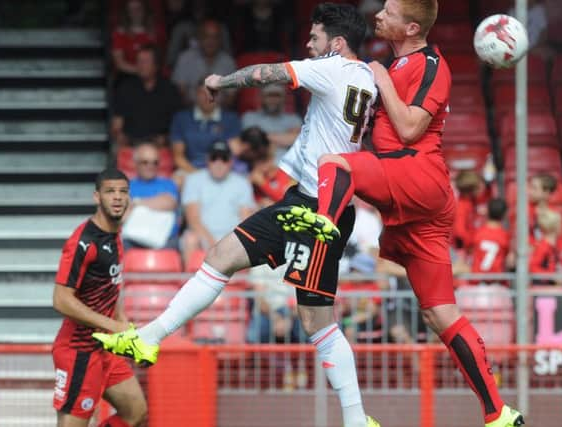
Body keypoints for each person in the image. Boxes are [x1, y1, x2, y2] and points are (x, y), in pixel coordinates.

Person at [94, 4, 379, 426]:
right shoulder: (368, 79)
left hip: (317, 210)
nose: (308, 43)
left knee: (314, 319)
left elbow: (269, 73)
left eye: (314, 37)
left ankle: (356, 419)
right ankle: (150, 338)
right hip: (309, 204)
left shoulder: (333, 68)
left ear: (336, 44)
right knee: (225, 258)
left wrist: (221, 82)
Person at [277, 1, 524, 426]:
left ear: (411, 26)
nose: (378, 15)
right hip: (412, 201)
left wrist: (378, 78)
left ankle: (323, 230)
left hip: (416, 174)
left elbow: (410, 128)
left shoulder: (430, 64)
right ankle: (498, 413)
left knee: (335, 163)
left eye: (388, 11)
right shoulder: (394, 64)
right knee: (439, 313)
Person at [52, 169, 147, 427]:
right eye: (110, 192)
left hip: (106, 347)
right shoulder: (83, 241)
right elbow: (60, 299)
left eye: (123, 192)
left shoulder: (115, 235)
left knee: (136, 413)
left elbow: (110, 285)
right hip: (78, 351)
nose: (117, 198)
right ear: (97, 197)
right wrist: (113, 326)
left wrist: (123, 324)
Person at [180, 140, 256, 265]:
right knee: (190, 239)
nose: (219, 163)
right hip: (202, 237)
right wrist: (215, 246)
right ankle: (189, 281)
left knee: (250, 241)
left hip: (233, 239)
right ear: (207, 160)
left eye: (224, 158)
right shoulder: (193, 180)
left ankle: (244, 284)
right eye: (214, 158)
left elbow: (245, 220)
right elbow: (193, 220)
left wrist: (226, 246)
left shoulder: (242, 183)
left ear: (231, 161)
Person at [111, 45, 182, 147]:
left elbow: (178, 124)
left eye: (145, 61)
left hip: (161, 145)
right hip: (131, 144)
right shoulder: (125, 88)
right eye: (139, 61)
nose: (141, 65)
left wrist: (166, 138)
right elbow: (117, 124)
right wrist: (119, 136)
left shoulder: (170, 90)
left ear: (156, 65)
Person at [170, 77, 241, 175]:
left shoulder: (230, 118)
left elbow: (235, 154)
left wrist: (218, 173)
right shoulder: (181, 118)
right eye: (202, 93)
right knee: (177, 180)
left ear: (219, 96)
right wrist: (198, 176)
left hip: (223, 169)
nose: (207, 97)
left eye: (212, 93)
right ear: (196, 94)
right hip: (189, 169)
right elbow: (178, 157)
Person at [124, 143, 180, 250]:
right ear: (136, 163)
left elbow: (169, 203)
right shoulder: (126, 186)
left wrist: (136, 203)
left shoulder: (168, 183)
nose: (150, 166)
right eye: (145, 162)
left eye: (155, 162)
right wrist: (155, 202)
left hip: (165, 239)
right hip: (132, 240)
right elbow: (122, 216)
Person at [171, 19, 236, 105]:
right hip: (191, 112)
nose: (210, 41)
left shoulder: (228, 62)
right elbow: (179, 93)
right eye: (206, 36)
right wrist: (200, 111)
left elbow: (231, 97)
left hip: (220, 114)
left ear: (220, 40)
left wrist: (213, 112)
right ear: (199, 38)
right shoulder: (185, 58)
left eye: (215, 37)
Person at [241, 84, 302, 163]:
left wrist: (262, 136)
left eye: (277, 95)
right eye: (269, 95)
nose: (273, 99)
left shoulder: (293, 119)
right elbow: (251, 142)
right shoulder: (250, 117)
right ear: (262, 97)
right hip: (258, 164)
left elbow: (296, 140)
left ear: (283, 98)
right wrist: (285, 136)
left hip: (288, 164)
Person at [111, 0, 165, 78]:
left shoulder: (155, 31)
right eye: (131, 10)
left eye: (138, 9)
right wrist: (141, 71)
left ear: (145, 10)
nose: (134, 13)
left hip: (151, 74)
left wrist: (148, 71)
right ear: (127, 13)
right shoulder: (119, 33)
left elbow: (158, 60)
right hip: (128, 75)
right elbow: (119, 63)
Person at [470, 198, 512, 286]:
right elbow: (509, 260)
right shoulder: (505, 235)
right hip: (496, 282)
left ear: (488, 212)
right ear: (504, 215)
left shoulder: (477, 232)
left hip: (477, 281)